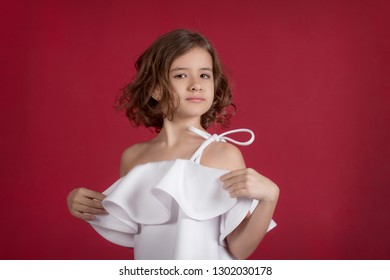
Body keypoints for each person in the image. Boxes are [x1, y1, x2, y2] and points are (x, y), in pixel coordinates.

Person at [66, 29, 279, 260]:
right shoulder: (133, 157)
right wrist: (80, 204)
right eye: (180, 75)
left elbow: (239, 248)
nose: (196, 85)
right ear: (155, 88)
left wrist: (269, 198)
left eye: (205, 75)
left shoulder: (223, 154)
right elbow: (139, 232)